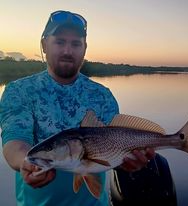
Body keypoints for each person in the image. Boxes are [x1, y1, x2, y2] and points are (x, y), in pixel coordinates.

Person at [0, 10, 155, 206]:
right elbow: (15, 142)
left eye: (75, 44)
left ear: (84, 48)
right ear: (44, 45)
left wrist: (129, 163)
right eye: (59, 42)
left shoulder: (102, 95)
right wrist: (25, 161)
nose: (67, 51)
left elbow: (113, 150)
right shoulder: (19, 91)